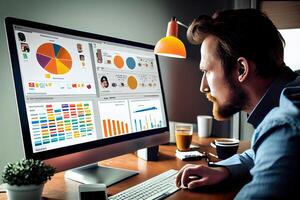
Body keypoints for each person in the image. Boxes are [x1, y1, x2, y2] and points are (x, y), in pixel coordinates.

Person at [176, 9, 300, 199]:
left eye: (207, 71)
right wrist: (225, 170)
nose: (203, 87)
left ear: (241, 69)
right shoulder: (293, 93)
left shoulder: (285, 126)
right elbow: (264, 152)